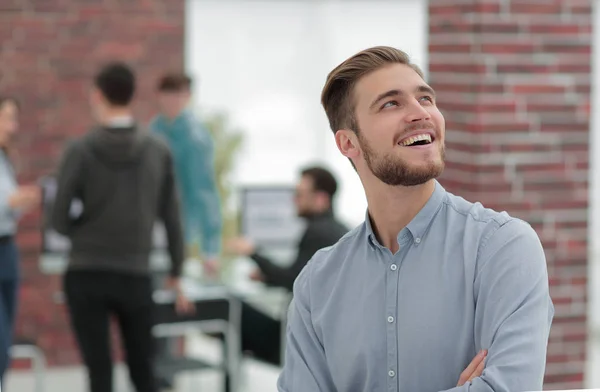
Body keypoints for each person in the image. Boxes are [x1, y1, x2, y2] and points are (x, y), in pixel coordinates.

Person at [278, 46, 554, 392]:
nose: (420, 113)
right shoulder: (317, 284)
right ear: (349, 143)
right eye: (391, 103)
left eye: (425, 99)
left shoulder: (503, 248)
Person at [51, 63, 193, 392]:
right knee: (144, 372)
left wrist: (83, 233)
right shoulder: (158, 151)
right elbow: (172, 217)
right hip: (136, 274)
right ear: (132, 96)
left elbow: (57, 220)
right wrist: (177, 269)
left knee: (99, 374)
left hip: (85, 273)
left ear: (98, 95)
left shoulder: (80, 150)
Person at [227, 166, 348, 365]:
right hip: (323, 340)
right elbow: (306, 279)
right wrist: (266, 277)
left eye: (300, 195)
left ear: (321, 199)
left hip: (303, 341)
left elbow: (293, 280)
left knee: (231, 309)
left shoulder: (318, 232)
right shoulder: (339, 231)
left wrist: (253, 253)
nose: (294, 200)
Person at [150, 73, 222, 276]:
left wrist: (210, 248)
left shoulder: (195, 138)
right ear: (159, 96)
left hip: (183, 233)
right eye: (168, 94)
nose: (173, 101)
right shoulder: (153, 131)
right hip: (151, 232)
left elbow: (204, 193)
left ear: (188, 96)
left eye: (178, 95)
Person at [0, 97, 40, 385]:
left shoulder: (4, 158)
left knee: (6, 344)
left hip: (7, 250)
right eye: (8, 117)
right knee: (0, 347)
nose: (13, 126)